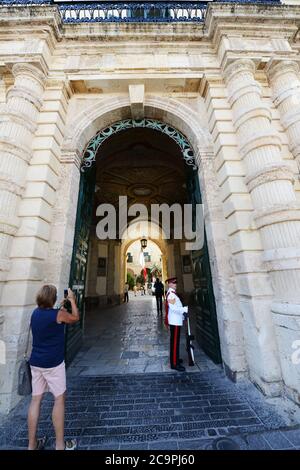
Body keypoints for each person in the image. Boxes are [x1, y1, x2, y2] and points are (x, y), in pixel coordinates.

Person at [27, 285, 79, 450]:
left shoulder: (35, 313)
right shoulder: (58, 315)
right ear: (52, 298)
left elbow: (51, 319)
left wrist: (60, 309)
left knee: (36, 401)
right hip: (53, 364)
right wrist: (72, 300)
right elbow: (75, 317)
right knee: (59, 399)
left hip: (36, 363)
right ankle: (59, 445)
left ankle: (31, 445)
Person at [165, 277, 188, 372]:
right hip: (174, 322)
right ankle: (174, 364)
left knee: (175, 342)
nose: (175, 284)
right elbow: (173, 308)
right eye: (174, 283)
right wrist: (184, 310)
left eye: (176, 283)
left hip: (176, 320)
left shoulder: (173, 294)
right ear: (169, 284)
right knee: (174, 343)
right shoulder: (171, 294)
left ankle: (176, 358)